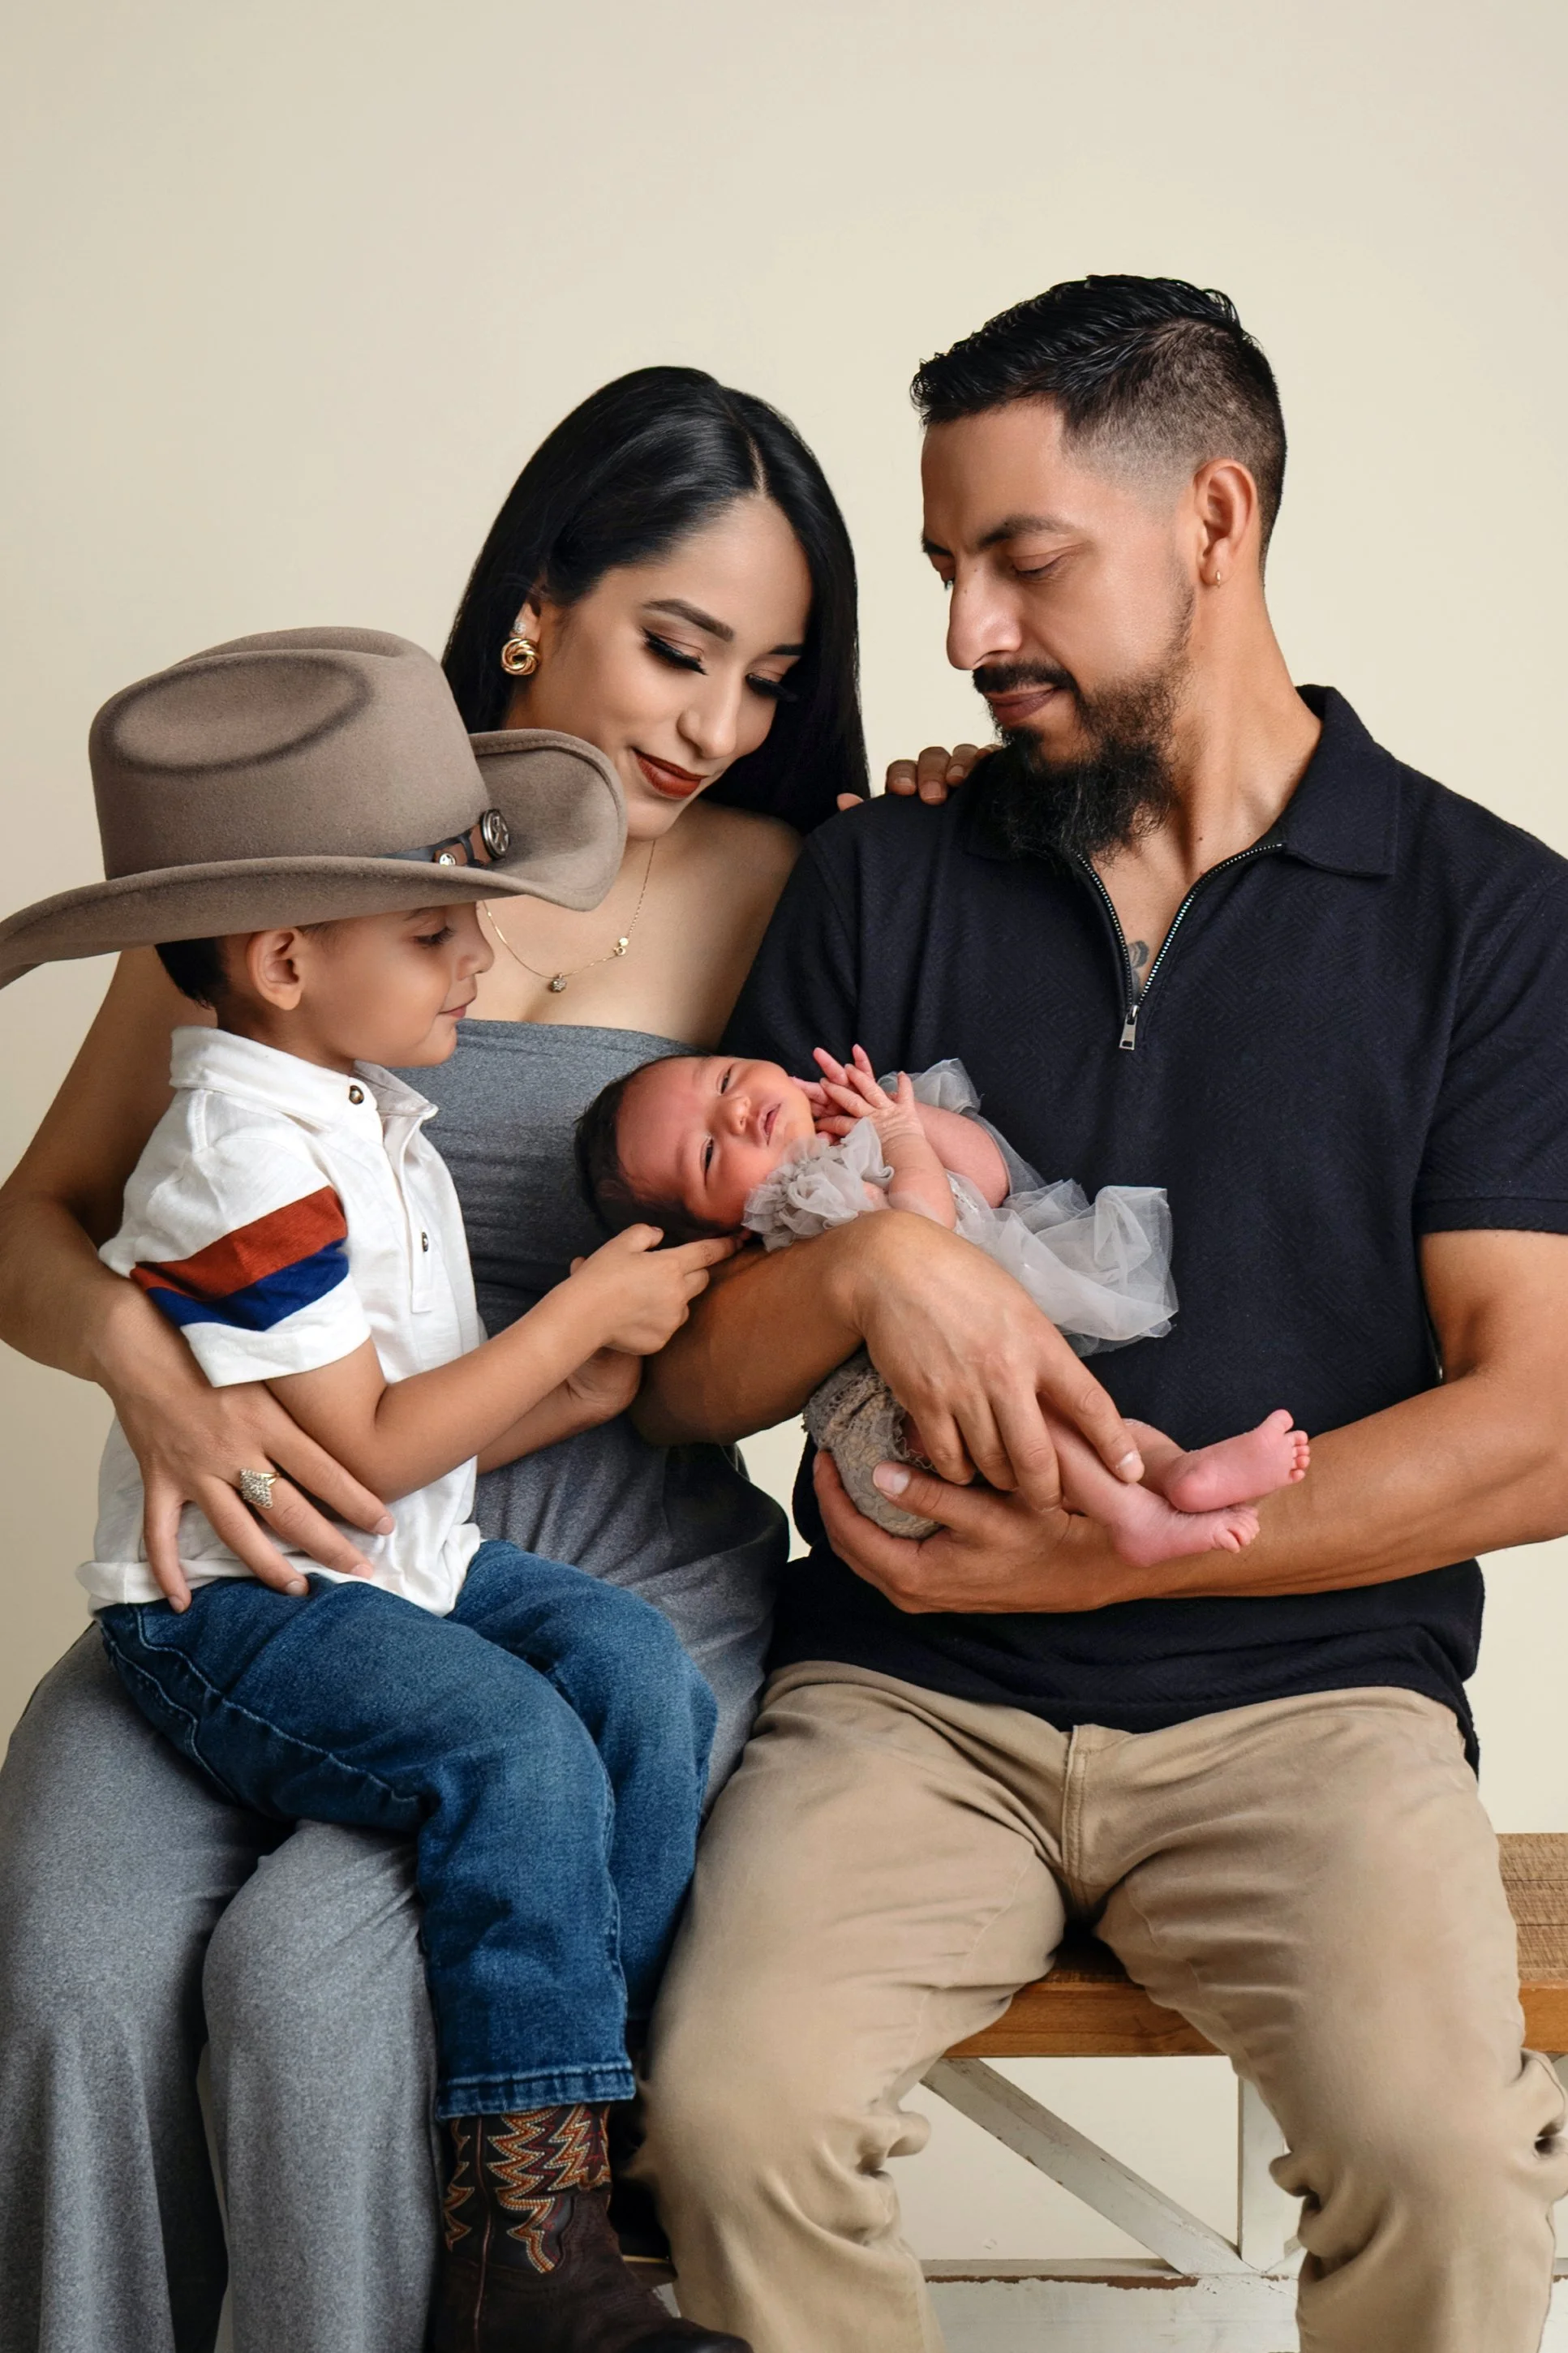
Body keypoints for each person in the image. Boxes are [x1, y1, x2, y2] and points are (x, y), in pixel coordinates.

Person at [630, 278, 1568, 2353]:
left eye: (1023, 561)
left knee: (1444, 2160)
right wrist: (871, 1262)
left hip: (1313, 1709)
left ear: (1213, 526)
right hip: (900, 1703)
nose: (965, 626)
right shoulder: (888, 877)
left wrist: (1123, 1547)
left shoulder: (1491, 919)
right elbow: (684, 1376)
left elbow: (1545, 1419)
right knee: (726, 2114)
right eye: (951, 561)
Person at [0, 367, 865, 2353]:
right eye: (676, 648)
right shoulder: (274, 859)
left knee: (319, 1991)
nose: (713, 724)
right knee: (63, 1962)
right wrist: (151, 1374)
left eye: (767, 673)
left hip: (590, 1563)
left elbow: (888, 1179)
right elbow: (29, 1226)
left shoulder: (795, 875)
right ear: (533, 604)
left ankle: (527, 2259)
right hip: (267, 1538)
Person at [578, 1041, 1308, 1557]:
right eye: (707, 1154)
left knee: (1079, 1412)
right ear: (724, 1228)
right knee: (1034, 1406)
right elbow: (920, 1231)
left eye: (727, 1077)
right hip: (895, 1429)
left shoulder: (850, 1140)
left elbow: (988, 1180)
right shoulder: (799, 1202)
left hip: (959, 1376)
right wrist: (898, 1138)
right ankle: (1130, 1514)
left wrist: (906, 1123)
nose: (736, 1111)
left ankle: (1176, 1472)